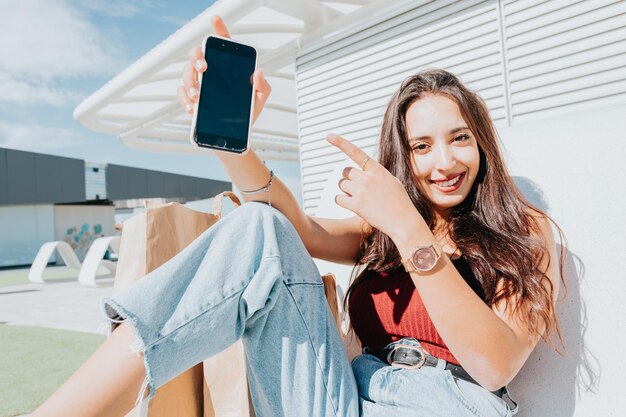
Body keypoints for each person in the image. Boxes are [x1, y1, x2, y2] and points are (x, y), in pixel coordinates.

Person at [33, 15, 565, 417]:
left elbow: (495, 365)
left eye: (459, 139)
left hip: (450, 403)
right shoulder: (380, 231)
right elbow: (291, 230)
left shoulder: (523, 231)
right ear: (405, 159)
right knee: (257, 228)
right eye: (421, 147)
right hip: (347, 394)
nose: (444, 162)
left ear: (482, 144)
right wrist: (233, 143)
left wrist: (408, 227)